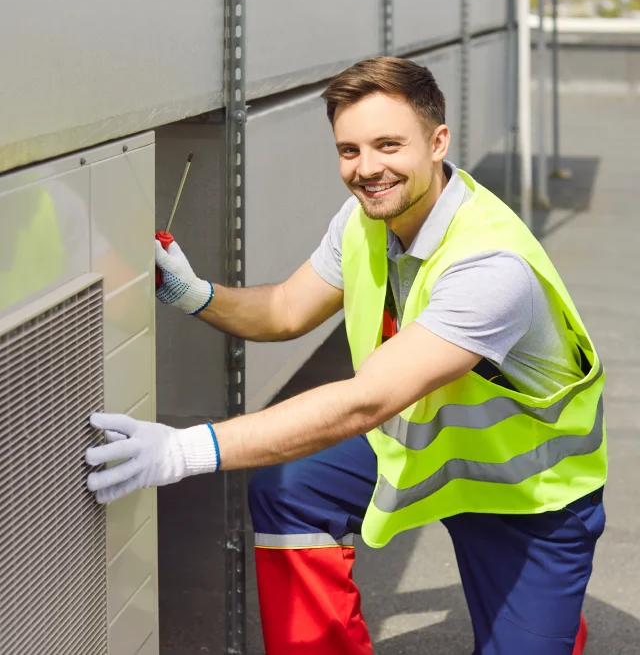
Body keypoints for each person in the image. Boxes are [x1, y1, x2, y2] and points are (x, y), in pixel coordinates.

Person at [86, 57, 606, 655]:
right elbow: (285, 308)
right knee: (289, 484)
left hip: (526, 493)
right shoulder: (365, 220)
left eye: (388, 145)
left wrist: (184, 450)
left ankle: (550, 626)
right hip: (423, 446)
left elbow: (367, 400)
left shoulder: (492, 266)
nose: (367, 169)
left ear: (438, 143)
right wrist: (190, 293)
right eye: (349, 150)